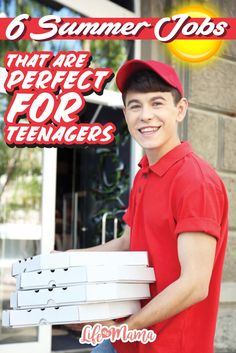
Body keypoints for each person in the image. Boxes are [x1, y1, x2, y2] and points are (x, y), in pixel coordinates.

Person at [87, 59, 228, 353]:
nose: (145, 115)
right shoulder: (144, 174)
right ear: (125, 114)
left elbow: (194, 284)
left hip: (171, 344)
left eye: (157, 103)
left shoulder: (195, 181)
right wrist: (64, 260)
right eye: (135, 106)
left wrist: (127, 328)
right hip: (127, 340)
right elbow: (128, 241)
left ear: (180, 109)